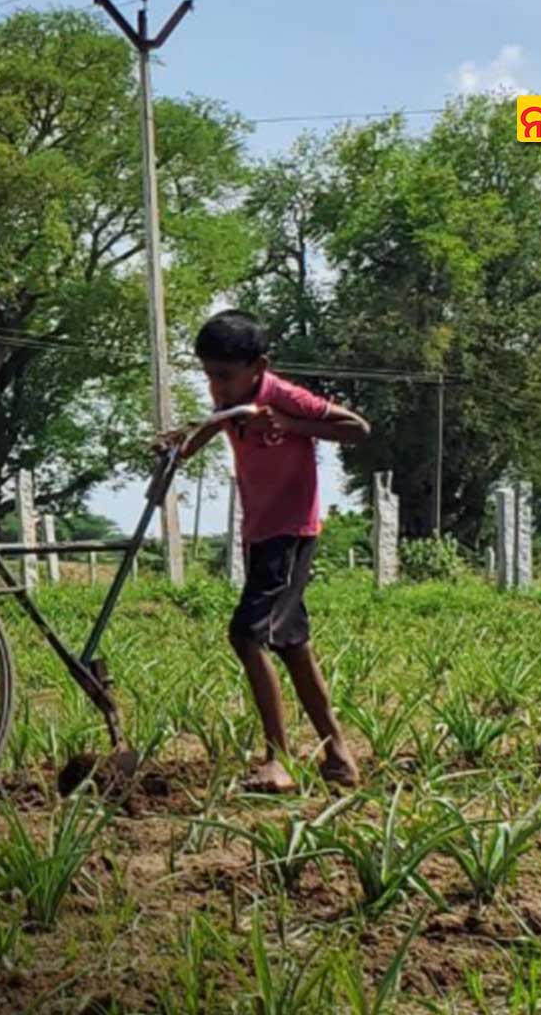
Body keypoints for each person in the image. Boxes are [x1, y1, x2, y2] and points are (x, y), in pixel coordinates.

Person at [161, 309, 369, 793]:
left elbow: (357, 428)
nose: (217, 387)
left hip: (290, 532)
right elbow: (216, 423)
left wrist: (291, 424)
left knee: (246, 635)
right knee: (293, 646)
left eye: (225, 377)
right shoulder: (232, 401)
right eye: (209, 376)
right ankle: (338, 756)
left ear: (259, 366)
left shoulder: (281, 396)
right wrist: (179, 446)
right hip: (260, 533)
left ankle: (277, 760)